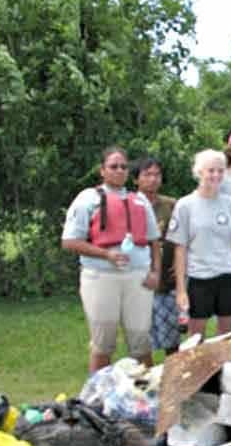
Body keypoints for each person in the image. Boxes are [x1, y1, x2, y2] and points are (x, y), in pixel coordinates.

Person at [61, 146, 161, 373]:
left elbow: (154, 241)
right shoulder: (88, 199)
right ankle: (94, 399)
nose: (119, 170)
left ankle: (146, 397)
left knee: (140, 339)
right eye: (113, 166)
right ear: (102, 171)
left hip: (138, 277)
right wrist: (106, 254)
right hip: (101, 276)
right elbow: (69, 241)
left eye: (123, 166)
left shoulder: (140, 201)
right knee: (103, 342)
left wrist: (155, 273)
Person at [167, 149, 231, 340]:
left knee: (228, 336)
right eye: (211, 170)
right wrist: (181, 289)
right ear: (199, 172)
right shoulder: (185, 205)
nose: (216, 175)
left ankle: (224, 368)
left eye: (220, 171)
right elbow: (180, 249)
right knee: (196, 337)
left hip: (228, 276)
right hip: (200, 278)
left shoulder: (229, 203)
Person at [134, 157, 181, 357]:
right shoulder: (128, 205)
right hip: (137, 279)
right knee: (141, 336)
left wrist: (181, 264)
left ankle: (174, 379)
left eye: (156, 174)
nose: (152, 179)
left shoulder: (172, 205)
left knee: (173, 338)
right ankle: (145, 380)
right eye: (147, 174)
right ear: (136, 179)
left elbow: (184, 239)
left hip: (168, 280)